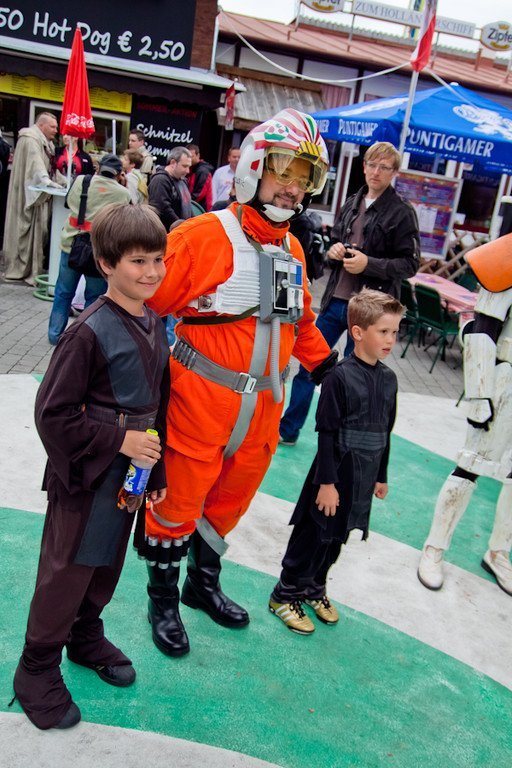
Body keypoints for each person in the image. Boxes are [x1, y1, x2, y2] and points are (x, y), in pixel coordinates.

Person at [138, 108, 336, 658]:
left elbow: (301, 323)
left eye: (304, 177)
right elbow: (146, 307)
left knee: (229, 502)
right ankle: (162, 601)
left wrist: (329, 370)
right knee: (177, 502)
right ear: (253, 167)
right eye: (283, 171)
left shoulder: (292, 250)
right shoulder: (201, 236)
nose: (292, 187)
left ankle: (201, 584)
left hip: (263, 409)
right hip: (199, 402)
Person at [12, 203, 170, 731]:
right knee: (67, 569)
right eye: (138, 261)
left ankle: (84, 635)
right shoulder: (87, 331)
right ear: (106, 263)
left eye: (158, 260)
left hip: (129, 475)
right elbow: (52, 414)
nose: (151, 272)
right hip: (84, 476)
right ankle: (36, 668)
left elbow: (159, 406)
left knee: (106, 562)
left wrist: (156, 470)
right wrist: (120, 440)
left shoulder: (154, 322)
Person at [270, 289, 403, 633]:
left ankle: (314, 587)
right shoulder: (338, 377)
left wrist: (381, 475)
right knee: (313, 534)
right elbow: (326, 434)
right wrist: (326, 484)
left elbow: (385, 431)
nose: (391, 340)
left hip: (363, 476)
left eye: (394, 332)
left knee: (337, 538)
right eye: (383, 332)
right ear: (358, 332)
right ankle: (285, 593)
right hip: (334, 473)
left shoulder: (389, 380)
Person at [279, 141, 420, 446]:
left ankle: (342, 437)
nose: (376, 172)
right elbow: (336, 240)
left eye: (384, 167)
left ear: (394, 172)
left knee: (354, 375)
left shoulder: (402, 212)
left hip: (371, 308)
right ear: (364, 166)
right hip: (336, 299)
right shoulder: (352, 202)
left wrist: (371, 264)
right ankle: (288, 429)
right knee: (310, 364)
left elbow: (410, 264)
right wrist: (334, 251)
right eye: (372, 165)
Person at [418, 234, 512, 596]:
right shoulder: (505, 259)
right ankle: (435, 546)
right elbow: (481, 332)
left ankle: (499, 551)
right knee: (469, 465)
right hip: (501, 380)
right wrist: (479, 394)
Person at [47, 154, 132, 346]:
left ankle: (55, 335)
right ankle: (83, 340)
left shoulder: (81, 181)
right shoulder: (123, 193)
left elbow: (68, 203)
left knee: (63, 292)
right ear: (118, 174)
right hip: (100, 251)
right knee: (93, 298)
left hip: (72, 244)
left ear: (99, 168)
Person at [3, 112, 64, 285]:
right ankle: (22, 268)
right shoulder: (30, 139)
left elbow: (51, 169)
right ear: (41, 125)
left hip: (39, 197)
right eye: (53, 127)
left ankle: (31, 267)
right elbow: (36, 167)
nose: (56, 130)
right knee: (25, 229)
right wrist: (48, 183)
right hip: (27, 196)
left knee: (40, 232)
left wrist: (63, 181)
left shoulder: (47, 142)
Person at [148, 147, 192, 231]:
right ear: (173, 163)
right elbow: (162, 208)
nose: (188, 171)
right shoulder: (160, 180)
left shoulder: (183, 181)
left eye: (189, 167)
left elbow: (188, 206)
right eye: (184, 166)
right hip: (166, 232)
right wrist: (182, 227)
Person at [187, 144, 214, 212]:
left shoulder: (203, 171)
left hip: (200, 209)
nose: (189, 159)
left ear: (198, 155)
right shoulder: (191, 168)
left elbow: (199, 194)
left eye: (191, 156)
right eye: (187, 156)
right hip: (194, 206)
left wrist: (185, 203)